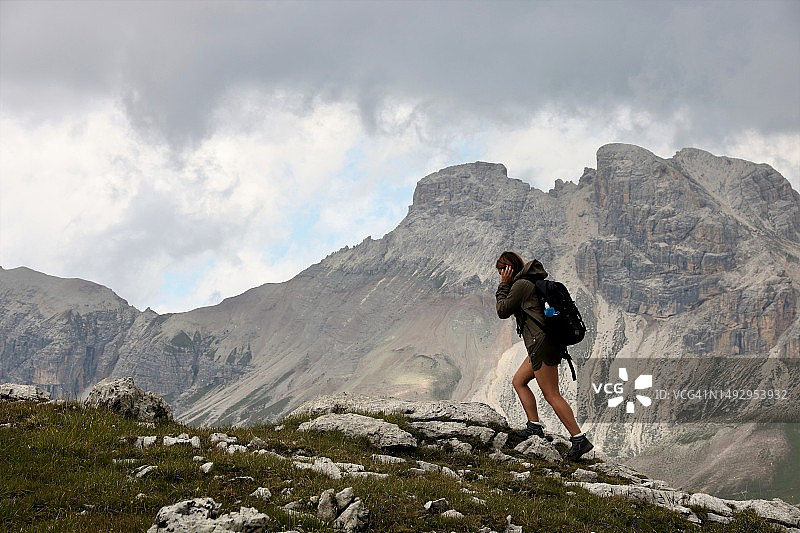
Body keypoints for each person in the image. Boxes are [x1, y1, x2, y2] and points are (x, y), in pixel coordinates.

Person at [495, 251, 593, 461]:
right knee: (519, 381)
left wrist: (503, 285)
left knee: (551, 394)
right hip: (541, 344)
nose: (501, 274)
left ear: (509, 269)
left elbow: (502, 310)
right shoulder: (530, 282)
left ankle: (579, 439)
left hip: (541, 345)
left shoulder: (521, 285)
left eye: (502, 270)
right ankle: (534, 426)